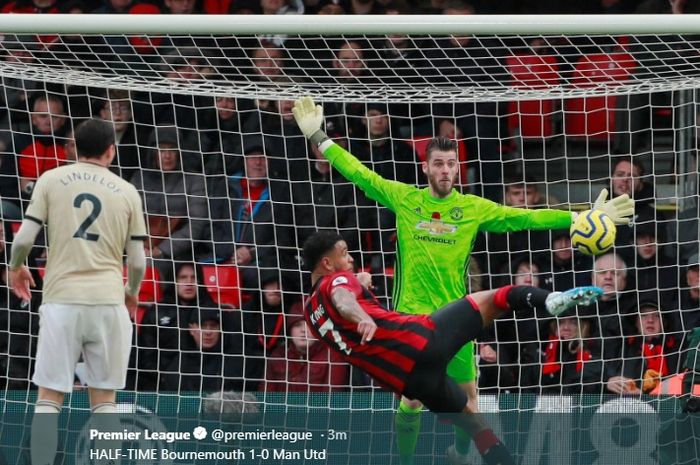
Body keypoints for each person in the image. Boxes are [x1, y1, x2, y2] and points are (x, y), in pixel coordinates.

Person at [292, 96, 635, 465]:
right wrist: (318, 137)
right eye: (437, 163)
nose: (444, 170)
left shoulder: (472, 209)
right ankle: (404, 460)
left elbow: (525, 217)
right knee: (411, 401)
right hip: (410, 319)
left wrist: (579, 217)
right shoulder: (406, 200)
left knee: (469, 402)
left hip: (455, 318)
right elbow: (359, 172)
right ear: (426, 169)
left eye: (450, 164)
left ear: (457, 170)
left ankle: (459, 454)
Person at [301, 230, 603, 465]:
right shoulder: (338, 281)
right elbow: (343, 298)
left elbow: (340, 300)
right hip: (422, 339)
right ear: (327, 264)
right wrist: (362, 314)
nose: (350, 258)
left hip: (412, 381)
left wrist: (360, 285)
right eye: (344, 254)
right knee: (499, 297)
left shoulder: (310, 314)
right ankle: (550, 300)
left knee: (476, 427)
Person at [8, 118, 147, 465]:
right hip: (107, 302)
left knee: (48, 400)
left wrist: (15, 268)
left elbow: (24, 237)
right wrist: (130, 291)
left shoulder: (51, 179)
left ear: (74, 149)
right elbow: (140, 261)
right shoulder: (127, 191)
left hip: (63, 301)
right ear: (111, 151)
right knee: (105, 402)